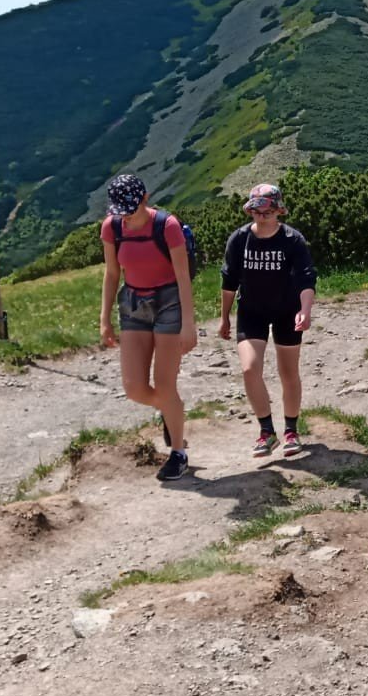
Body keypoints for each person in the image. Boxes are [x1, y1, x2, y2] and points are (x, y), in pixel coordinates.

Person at [98, 173, 196, 482]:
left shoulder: (167, 226)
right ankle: (171, 412)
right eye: (121, 210)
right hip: (133, 304)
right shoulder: (112, 228)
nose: (126, 215)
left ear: (145, 199)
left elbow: (183, 277)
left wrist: (189, 325)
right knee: (134, 388)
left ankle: (178, 452)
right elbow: (112, 273)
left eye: (131, 208)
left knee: (165, 385)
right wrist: (104, 319)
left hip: (169, 302)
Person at [219, 184, 318, 460]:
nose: (262, 215)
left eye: (268, 210)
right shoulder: (239, 240)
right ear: (250, 210)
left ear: (278, 211)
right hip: (251, 311)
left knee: (288, 372)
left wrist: (305, 310)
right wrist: (225, 316)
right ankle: (266, 431)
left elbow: (306, 278)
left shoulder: (292, 240)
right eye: (257, 209)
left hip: (288, 310)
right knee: (250, 369)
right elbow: (229, 281)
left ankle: (291, 431)